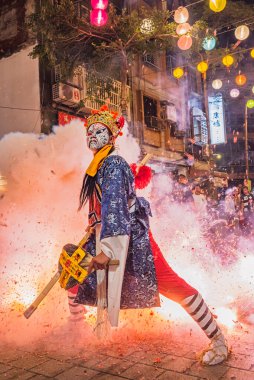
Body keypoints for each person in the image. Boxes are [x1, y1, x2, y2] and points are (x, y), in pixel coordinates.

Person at [73, 106, 228, 365]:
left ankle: (219, 340)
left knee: (171, 284)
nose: (92, 136)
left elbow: (116, 209)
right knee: (74, 270)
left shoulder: (113, 163)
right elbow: (100, 206)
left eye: (99, 131)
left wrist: (106, 250)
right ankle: (75, 329)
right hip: (109, 236)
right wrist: (93, 228)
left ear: (112, 137)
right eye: (89, 132)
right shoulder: (98, 166)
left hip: (133, 239)